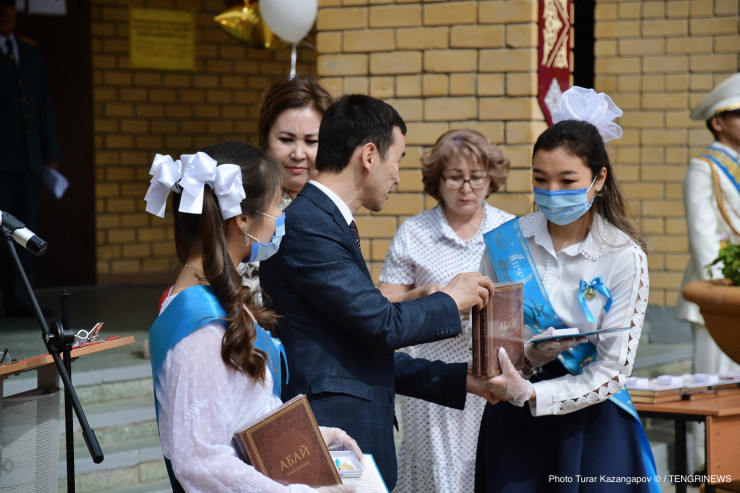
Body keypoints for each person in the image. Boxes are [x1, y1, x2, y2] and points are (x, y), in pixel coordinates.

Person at [259, 94, 498, 490]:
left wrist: (462, 380)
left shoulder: (326, 220)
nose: (398, 176)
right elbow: (382, 324)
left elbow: (357, 346)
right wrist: (452, 299)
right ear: (369, 155)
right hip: (333, 434)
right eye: (397, 159)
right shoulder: (308, 224)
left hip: (352, 432)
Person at [144, 142, 359, 492]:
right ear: (243, 219)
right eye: (277, 204)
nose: (280, 216)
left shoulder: (212, 298)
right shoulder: (199, 326)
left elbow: (238, 415)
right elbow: (199, 460)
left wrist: (312, 438)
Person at [475, 87, 659, 492]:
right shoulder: (505, 243)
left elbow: (613, 368)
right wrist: (526, 360)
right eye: (540, 179)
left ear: (599, 179)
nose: (553, 192)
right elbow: (492, 343)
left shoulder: (623, 256)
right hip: (515, 425)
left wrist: (534, 394)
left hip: (591, 420)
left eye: (567, 180)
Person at [377, 129, 513, 492]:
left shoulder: (508, 229)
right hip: (431, 370)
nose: (466, 188)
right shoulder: (414, 232)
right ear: (438, 180)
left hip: (490, 366)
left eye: (476, 177)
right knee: (433, 464)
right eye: (455, 177)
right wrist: (422, 295)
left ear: (491, 178)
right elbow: (383, 304)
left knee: (487, 461)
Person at [674, 72, 740, 475]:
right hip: (720, 297)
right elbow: (705, 242)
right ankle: (706, 465)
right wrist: (723, 292)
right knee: (715, 380)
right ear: (718, 121)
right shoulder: (705, 169)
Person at [239, 76, 333, 302]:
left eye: (311, 141)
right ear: (265, 141)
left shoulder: (332, 205)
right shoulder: (246, 207)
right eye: (286, 139)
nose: (298, 154)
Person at [0, 0, 59, 317]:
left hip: (27, 161)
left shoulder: (29, 51)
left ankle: (21, 299)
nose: (5, 12)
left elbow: (42, 104)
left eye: (10, 6)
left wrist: (50, 152)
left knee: (23, 232)